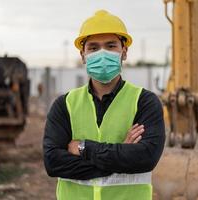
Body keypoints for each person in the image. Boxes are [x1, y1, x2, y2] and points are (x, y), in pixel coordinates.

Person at [43, 9, 165, 200]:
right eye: (93, 48)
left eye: (110, 46)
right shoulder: (64, 105)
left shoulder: (145, 102)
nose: (102, 54)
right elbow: (53, 163)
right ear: (83, 55)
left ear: (124, 52)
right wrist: (121, 154)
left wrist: (84, 148)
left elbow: (146, 158)